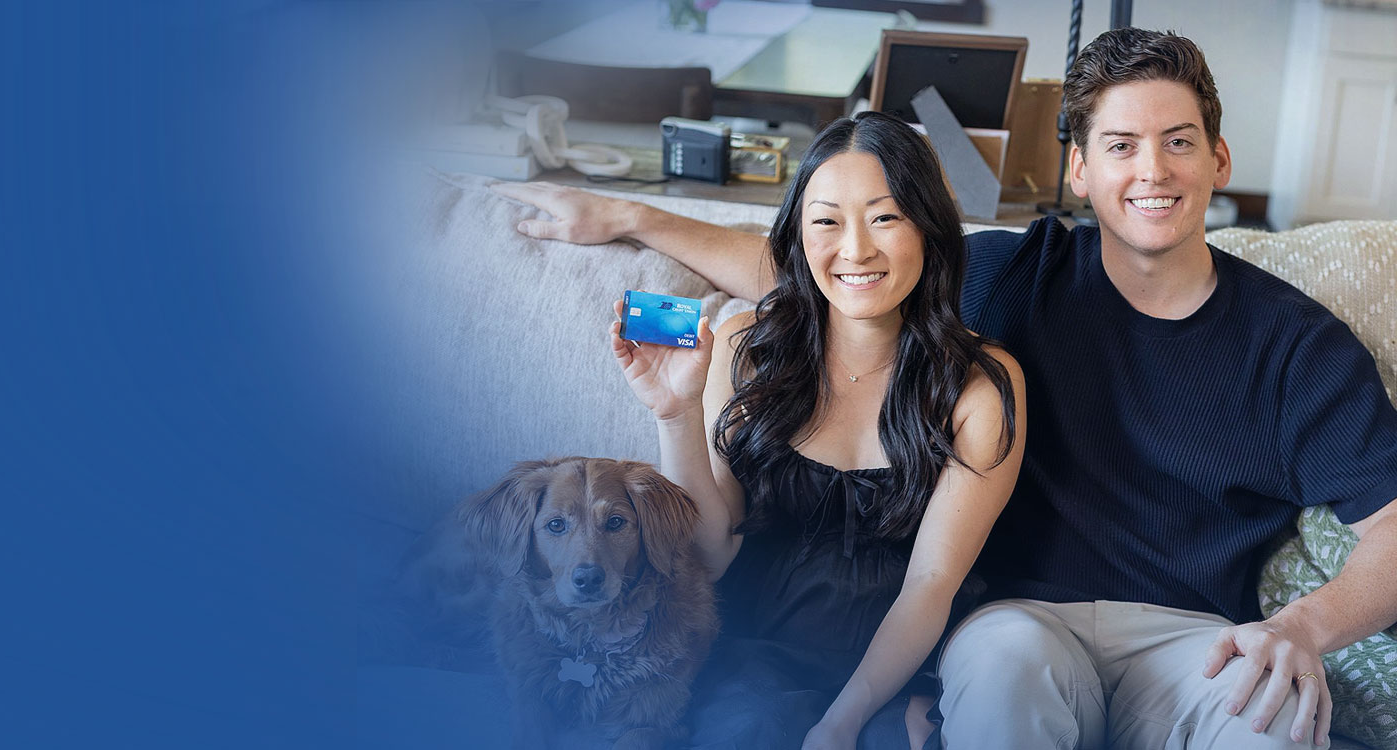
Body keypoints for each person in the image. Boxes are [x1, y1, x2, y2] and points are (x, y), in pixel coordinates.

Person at [491, 28, 1397, 750]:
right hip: (1021, 624)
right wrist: (629, 215)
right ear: (1080, 170)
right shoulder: (1010, 275)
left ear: (1219, 160)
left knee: (1276, 719)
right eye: (1121, 146)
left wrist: (1305, 627)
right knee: (1000, 668)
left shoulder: (1295, 345)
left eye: (1178, 143)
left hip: (1196, 639)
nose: (1151, 172)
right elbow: (835, 273)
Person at [605, 111, 1025, 750]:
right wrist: (675, 414)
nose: (856, 250)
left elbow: (930, 585)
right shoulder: (744, 349)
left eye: (885, 217)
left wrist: (840, 723)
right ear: (798, 236)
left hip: (902, 666)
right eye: (827, 221)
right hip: (756, 655)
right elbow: (710, 554)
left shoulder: (979, 383)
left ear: (929, 229)